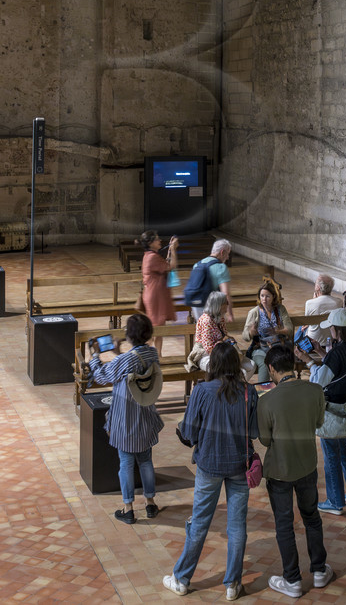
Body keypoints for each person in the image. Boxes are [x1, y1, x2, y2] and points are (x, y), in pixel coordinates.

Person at [164, 342, 258, 600]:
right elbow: (256, 432)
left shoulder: (202, 391)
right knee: (237, 526)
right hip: (240, 464)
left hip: (209, 464)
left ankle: (182, 578)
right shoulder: (249, 392)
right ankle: (232, 584)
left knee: (200, 522)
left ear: (213, 364)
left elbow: (189, 433)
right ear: (237, 365)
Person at [256, 343, 335, 598]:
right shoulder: (314, 391)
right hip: (307, 465)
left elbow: (265, 441)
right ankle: (320, 570)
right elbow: (319, 422)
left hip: (280, 470)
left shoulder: (266, 401)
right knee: (312, 517)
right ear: (294, 364)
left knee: (284, 523)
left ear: (271, 368)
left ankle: (292, 579)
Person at [87, 314, 164, 524]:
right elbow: (133, 365)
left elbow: (103, 376)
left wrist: (95, 355)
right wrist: (118, 352)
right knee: (146, 461)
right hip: (146, 415)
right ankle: (150, 504)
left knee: (126, 464)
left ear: (129, 336)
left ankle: (128, 508)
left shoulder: (125, 360)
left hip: (126, 419)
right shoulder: (152, 354)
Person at [301, 308, 346, 515]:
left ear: (337, 330)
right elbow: (340, 367)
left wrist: (309, 362)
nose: (329, 329)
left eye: (331, 327)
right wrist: (322, 353)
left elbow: (318, 383)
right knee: (345, 451)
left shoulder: (336, 353)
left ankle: (335, 501)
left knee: (331, 455)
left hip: (332, 412)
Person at [241, 280, 293, 383]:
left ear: (273, 296)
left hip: (278, 347)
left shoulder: (280, 309)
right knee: (265, 363)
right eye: (262, 296)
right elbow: (245, 337)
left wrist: (278, 331)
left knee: (284, 361)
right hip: (260, 348)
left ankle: (286, 389)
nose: (264, 299)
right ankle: (263, 392)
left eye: (267, 296)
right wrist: (251, 332)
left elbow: (290, 329)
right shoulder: (254, 312)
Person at [183, 239, 234, 320]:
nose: (227, 257)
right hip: (213, 307)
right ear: (222, 252)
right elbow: (225, 293)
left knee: (202, 329)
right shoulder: (221, 267)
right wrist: (230, 314)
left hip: (196, 305)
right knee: (215, 331)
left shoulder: (197, 264)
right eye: (227, 253)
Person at [139, 230, 179, 330]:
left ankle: (155, 346)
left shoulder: (150, 255)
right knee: (156, 329)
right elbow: (172, 266)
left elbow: (165, 264)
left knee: (159, 328)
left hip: (155, 294)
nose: (160, 240)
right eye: (157, 239)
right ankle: (149, 346)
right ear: (150, 243)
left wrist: (170, 249)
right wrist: (173, 249)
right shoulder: (152, 257)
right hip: (155, 296)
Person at [190, 291, 235, 371]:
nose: (228, 305)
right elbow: (208, 348)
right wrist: (221, 342)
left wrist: (228, 339)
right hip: (204, 354)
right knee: (226, 367)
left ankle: (233, 382)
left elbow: (224, 335)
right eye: (226, 303)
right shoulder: (206, 320)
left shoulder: (220, 317)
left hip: (219, 351)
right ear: (218, 305)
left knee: (247, 365)